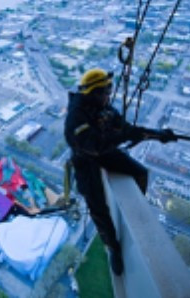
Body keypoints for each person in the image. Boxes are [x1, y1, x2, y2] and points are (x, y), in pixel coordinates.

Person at [64, 68, 176, 275]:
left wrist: (158, 135)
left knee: (141, 173)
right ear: (94, 94)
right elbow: (95, 145)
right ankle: (112, 247)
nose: (109, 96)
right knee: (97, 205)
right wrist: (123, 135)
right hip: (86, 159)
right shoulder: (76, 117)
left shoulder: (102, 108)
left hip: (104, 150)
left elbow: (127, 129)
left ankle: (133, 210)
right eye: (106, 92)